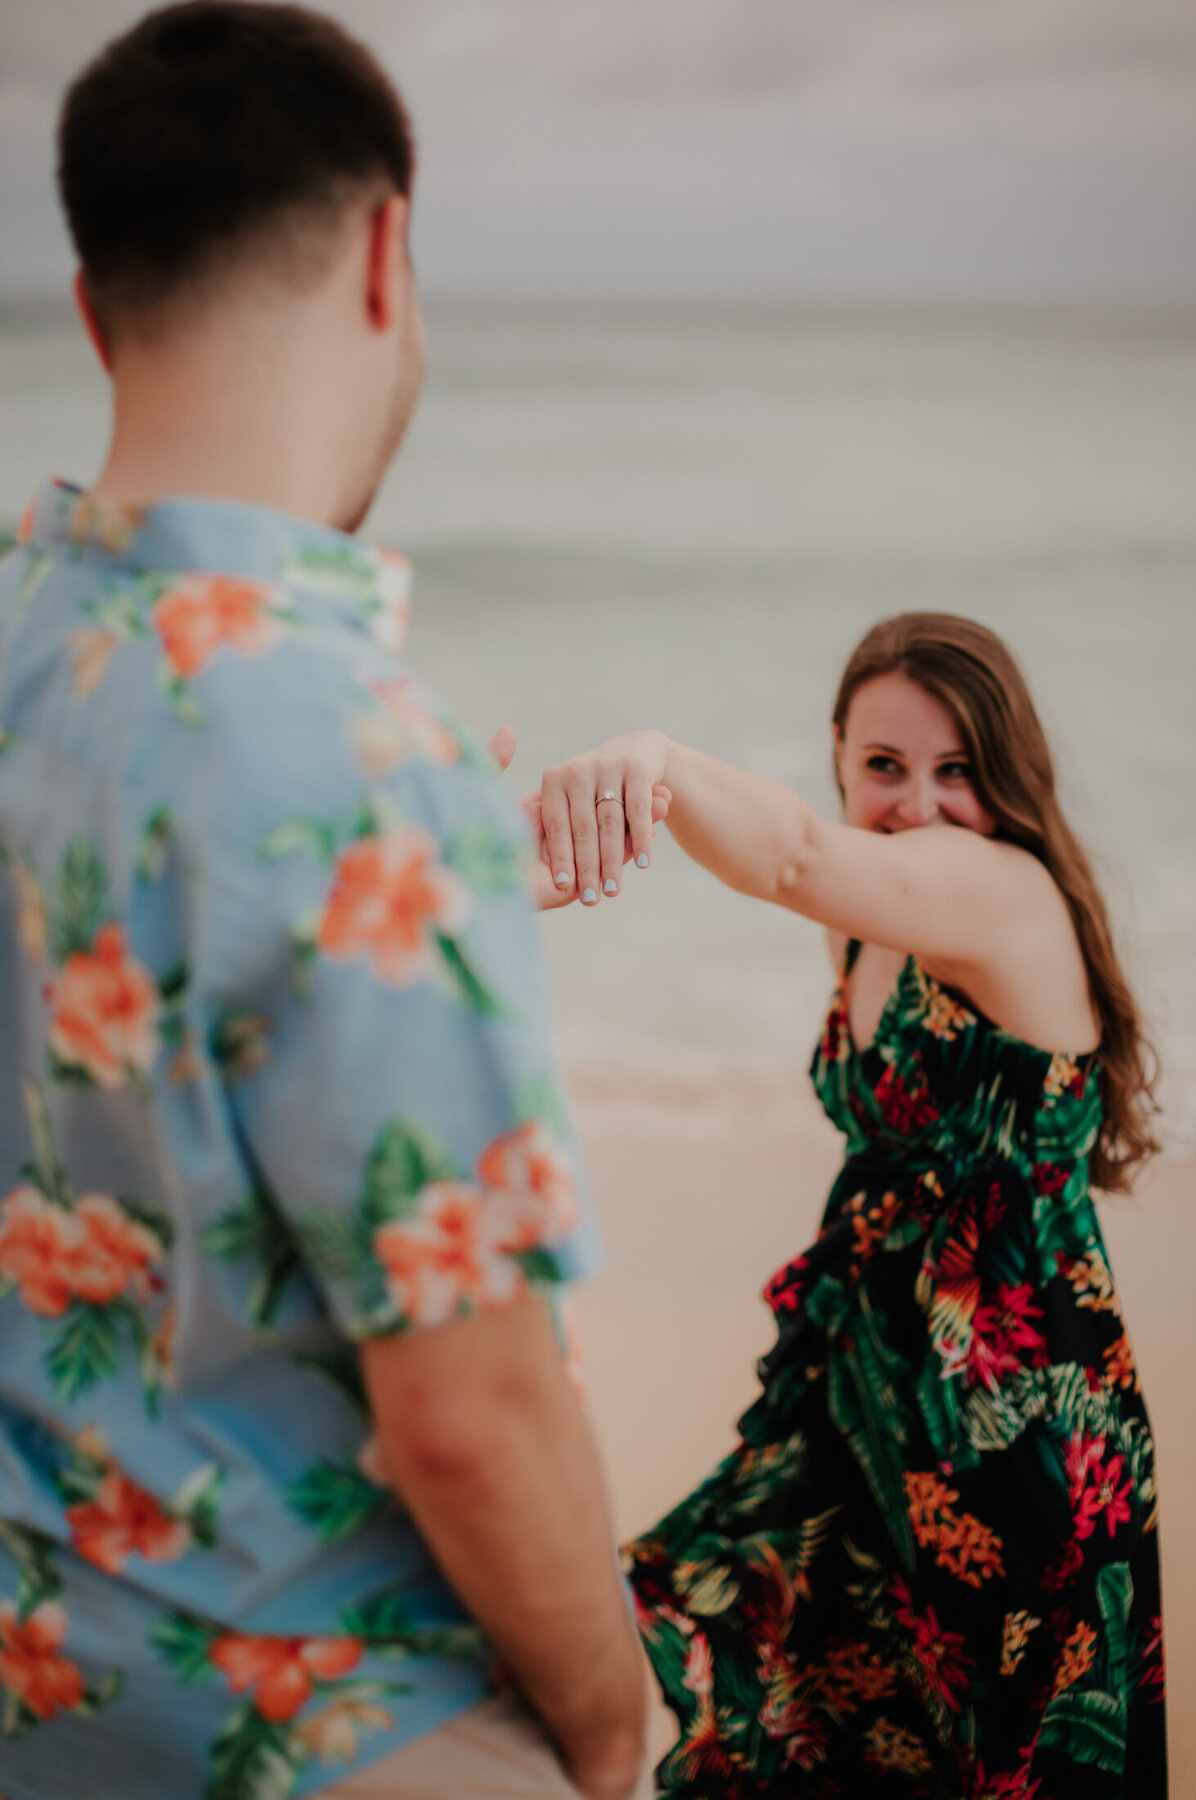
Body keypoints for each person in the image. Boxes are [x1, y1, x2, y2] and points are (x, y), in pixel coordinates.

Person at [0, 6, 657, 1797]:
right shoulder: (363, 758)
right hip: (296, 1716)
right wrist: (610, 1733)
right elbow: (468, 1422)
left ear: (89, 302)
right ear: (387, 256)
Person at [536, 612, 1166, 1799]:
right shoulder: (867, 918)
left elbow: (787, 858)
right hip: (869, 1414)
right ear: (836, 755)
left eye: (957, 772)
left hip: (1016, 1440)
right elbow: (809, 867)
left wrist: (653, 763)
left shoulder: (1003, 891)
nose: (919, 806)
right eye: (885, 768)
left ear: (1011, 776)